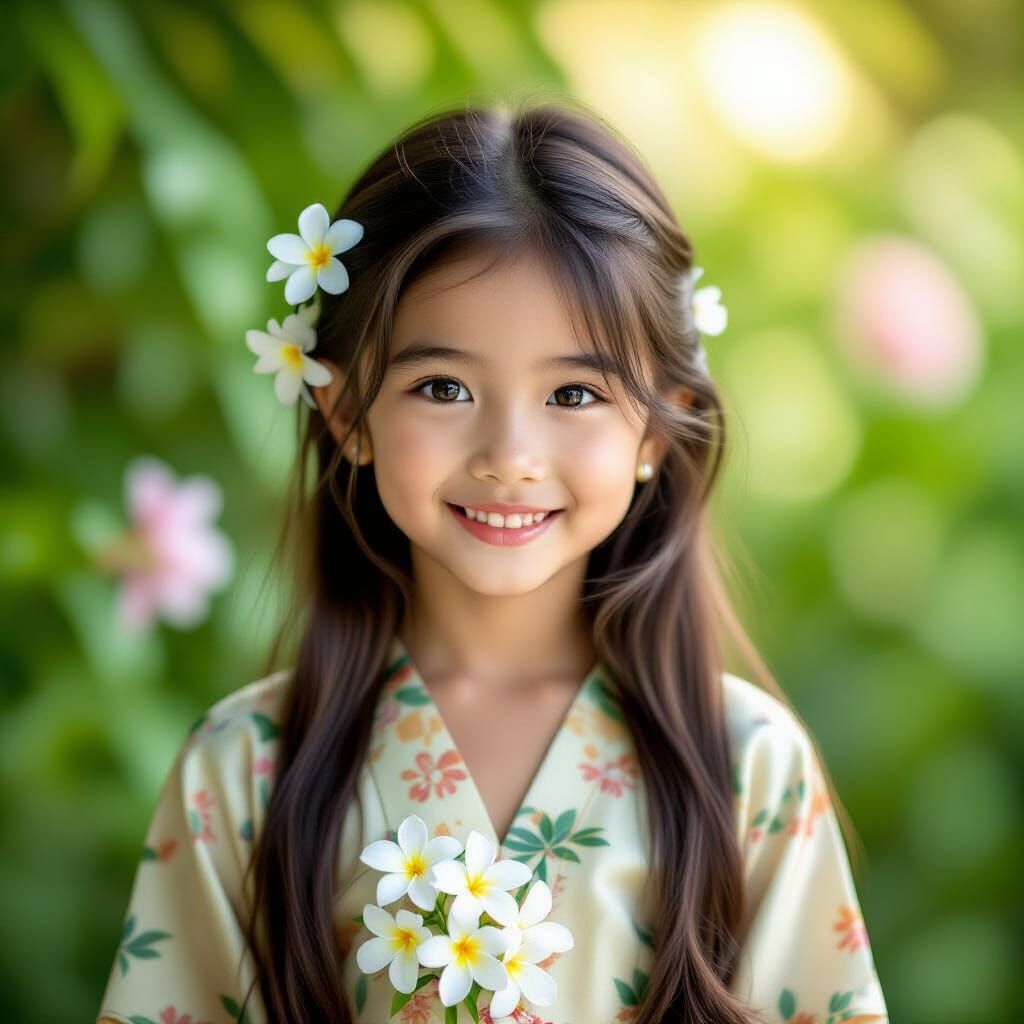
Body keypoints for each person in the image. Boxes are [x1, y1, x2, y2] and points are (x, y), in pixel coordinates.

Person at [96, 98, 888, 1024]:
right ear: (348, 414)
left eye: (575, 392)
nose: (509, 453)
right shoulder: (245, 772)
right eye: (443, 386)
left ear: (656, 428)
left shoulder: (747, 768)